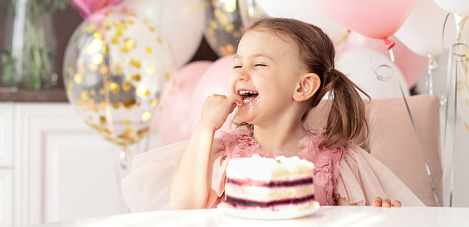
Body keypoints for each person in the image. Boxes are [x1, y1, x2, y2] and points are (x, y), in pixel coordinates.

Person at [121, 18, 424, 212]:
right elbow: (185, 207)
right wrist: (204, 128)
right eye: (237, 65)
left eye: (259, 65)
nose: (241, 74)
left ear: (303, 87)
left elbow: (350, 218)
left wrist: (376, 214)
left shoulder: (336, 159)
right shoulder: (224, 153)